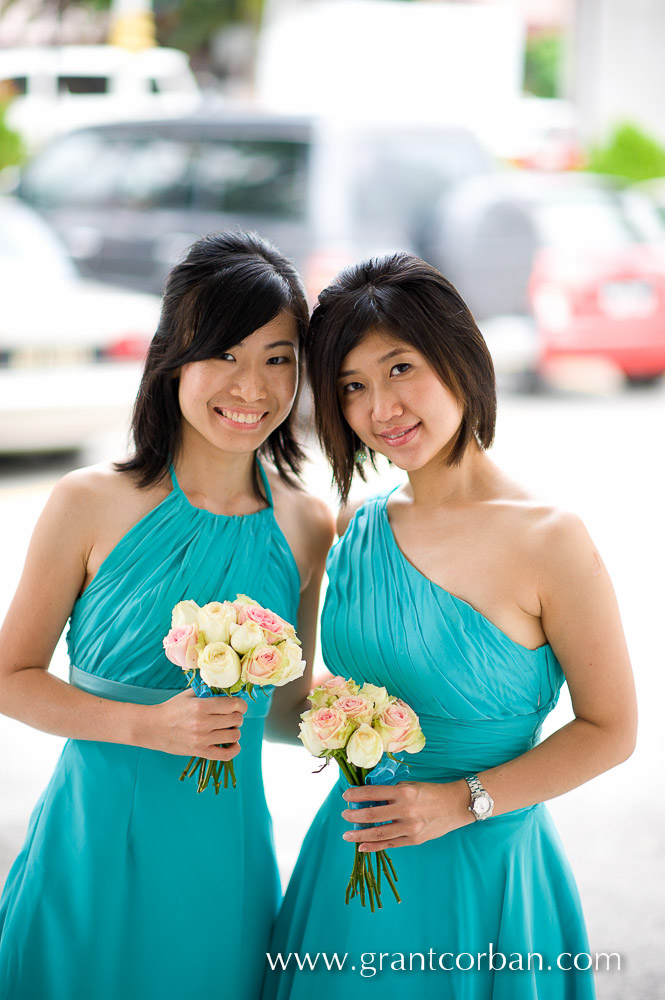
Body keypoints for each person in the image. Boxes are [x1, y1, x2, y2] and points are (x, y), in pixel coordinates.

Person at [265, 253, 637, 1000]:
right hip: (352, 863)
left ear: (458, 356)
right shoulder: (354, 529)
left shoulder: (549, 538)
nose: (382, 408)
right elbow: (292, 712)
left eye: (400, 369)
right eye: (353, 387)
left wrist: (461, 801)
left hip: (486, 864)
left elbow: (610, 729)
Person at [0, 231, 334, 1000]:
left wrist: (370, 723)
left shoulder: (308, 523)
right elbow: (11, 677)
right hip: (92, 842)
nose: (251, 385)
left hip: (225, 855)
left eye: (278, 357)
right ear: (172, 355)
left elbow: (282, 709)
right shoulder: (89, 503)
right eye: (225, 352)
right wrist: (141, 726)